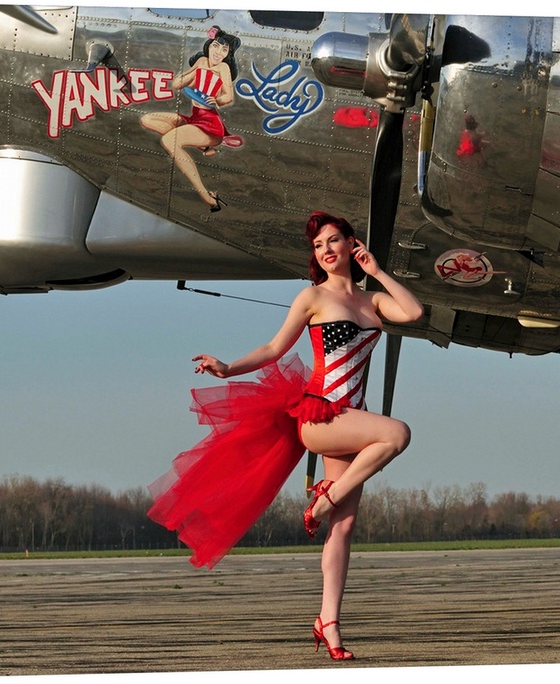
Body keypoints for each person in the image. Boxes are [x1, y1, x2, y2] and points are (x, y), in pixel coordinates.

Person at [147, 210, 425, 661]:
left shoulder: (373, 302)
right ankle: (322, 499)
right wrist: (228, 367)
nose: (327, 250)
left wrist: (376, 271)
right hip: (321, 416)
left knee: (346, 527)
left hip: (352, 420)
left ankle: (328, 623)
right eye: (319, 246)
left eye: (334, 241)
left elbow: (413, 312)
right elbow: (274, 348)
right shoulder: (312, 297)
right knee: (397, 433)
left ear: (352, 244)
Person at [140, 26, 242, 211]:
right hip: (195, 118)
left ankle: (207, 195)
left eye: (224, 50)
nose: (218, 52)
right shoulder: (202, 61)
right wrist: (194, 72)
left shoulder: (224, 68)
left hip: (210, 123)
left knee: (170, 141)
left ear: (228, 54)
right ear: (209, 45)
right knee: (148, 119)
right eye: (216, 46)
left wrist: (217, 99)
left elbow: (229, 96)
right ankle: (202, 145)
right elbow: (177, 84)